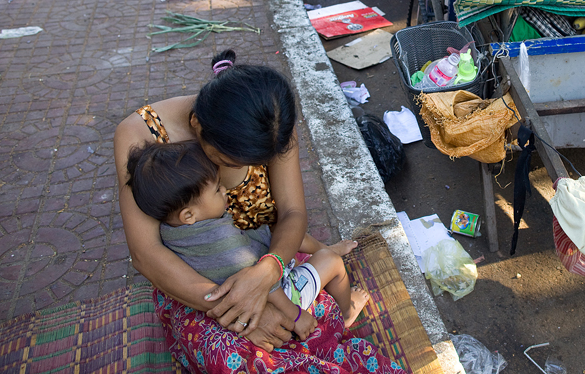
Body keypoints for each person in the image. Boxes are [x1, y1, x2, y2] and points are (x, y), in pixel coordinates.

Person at [114, 51, 404, 374]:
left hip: (267, 262)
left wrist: (269, 271)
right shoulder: (140, 135)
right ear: (197, 125)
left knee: (305, 325)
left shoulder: (271, 123)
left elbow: (293, 214)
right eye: (228, 163)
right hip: (200, 286)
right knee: (236, 358)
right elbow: (145, 253)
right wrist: (244, 310)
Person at [126, 141, 371, 337]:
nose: (226, 193)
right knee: (331, 262)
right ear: (189, 214)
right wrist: (295, 316)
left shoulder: (173, 230)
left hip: (240, 285)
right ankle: (347, 310)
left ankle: (326, 250)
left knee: (280, 232)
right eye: (218, 190)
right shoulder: (223, 241)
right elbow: (266, 284)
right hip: (278, 297)